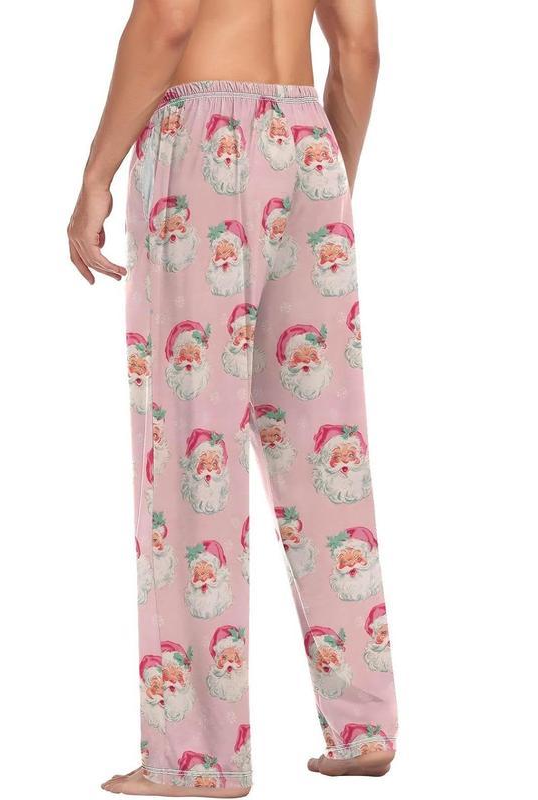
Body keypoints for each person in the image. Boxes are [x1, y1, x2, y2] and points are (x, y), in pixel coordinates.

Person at [67, 1, 396, 795]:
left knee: (193, 450)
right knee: (324, 446)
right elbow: (359, 48)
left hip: (205, 143)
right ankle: (365, 727)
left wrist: (95, 175)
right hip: (310, 142)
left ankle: (199, 757)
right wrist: (324, 177)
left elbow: (169, 19)